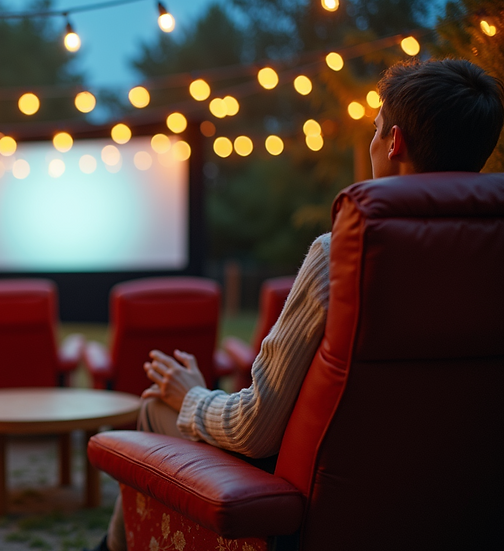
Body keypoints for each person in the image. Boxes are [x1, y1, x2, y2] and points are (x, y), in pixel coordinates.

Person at [92, 58, 504, 551]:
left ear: (394, 142)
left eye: (375, 131)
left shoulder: (345, 254)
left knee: (159, 402)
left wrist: (191, 394)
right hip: (455, 514)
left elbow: (254, 430)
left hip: (305, 513)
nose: (374, 143)